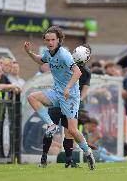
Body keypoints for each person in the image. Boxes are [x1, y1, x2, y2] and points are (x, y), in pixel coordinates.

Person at [24, 26, 95, 170]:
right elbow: (40, 60)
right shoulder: (48, 53)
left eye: (53, 40)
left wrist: (68, 87)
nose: (50, 42)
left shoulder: (64, 55)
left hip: (70, 97)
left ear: (59, 40)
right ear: (45, 40)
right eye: (47, 39)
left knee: (73, 131)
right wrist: (29, 53)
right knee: (32, 97)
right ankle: (51, 125)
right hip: (57, 93)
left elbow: (77, 73)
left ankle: (88, 153)